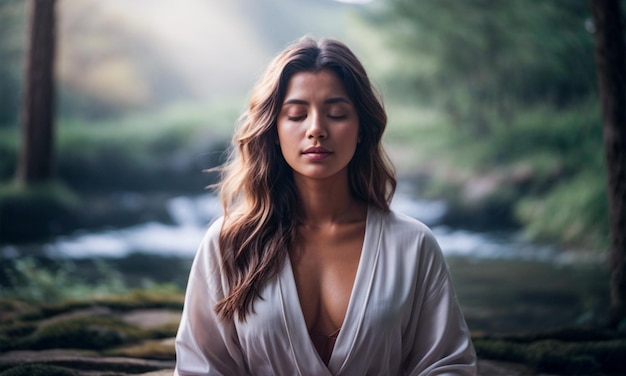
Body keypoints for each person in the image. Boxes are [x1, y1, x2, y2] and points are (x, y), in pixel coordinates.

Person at [174, 36, 477, 375]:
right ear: (273, 129)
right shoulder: (228, 244)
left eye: (336, 114)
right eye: (296, 114)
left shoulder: (412, 245)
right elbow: (200, 368)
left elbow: (448, 365)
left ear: (362, 128)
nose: (316, 129)